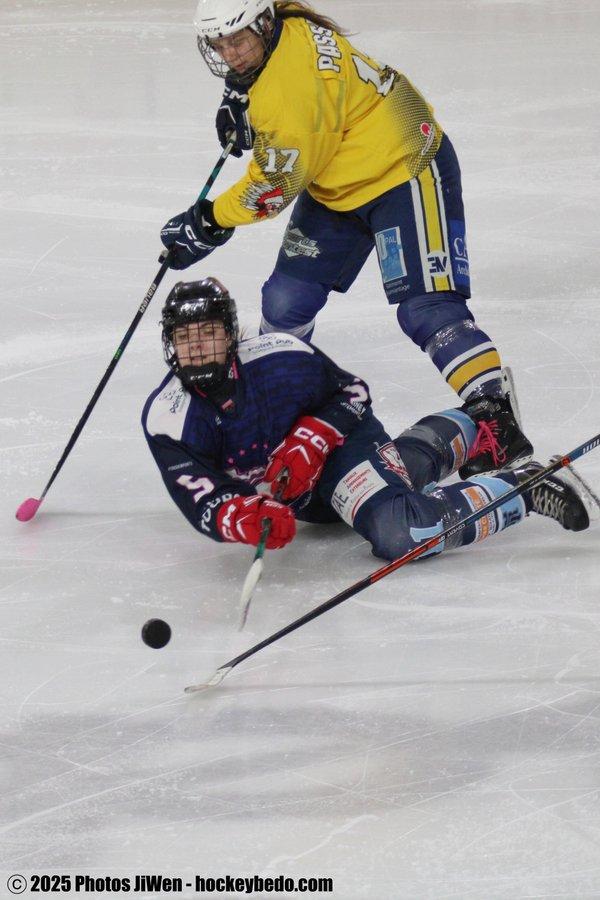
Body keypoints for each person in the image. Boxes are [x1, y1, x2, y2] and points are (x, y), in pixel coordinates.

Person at [158, 0, 533, 480]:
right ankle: (281, 411)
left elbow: (273, 187)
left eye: (238, 40)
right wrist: (240, 90)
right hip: (337, 177)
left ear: (263, 24)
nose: (229, 53)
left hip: (404, 170)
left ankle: (494, 414)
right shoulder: (284, 21)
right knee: (286, 302)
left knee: (426, 309)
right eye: (219, 43)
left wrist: (209, 221)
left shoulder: (289, 92)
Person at [142, 278, 590, 565]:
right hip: (310, 500)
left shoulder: (278, 358)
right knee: (390, 478)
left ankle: (526, 487)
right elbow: (202, 497)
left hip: (342, 449)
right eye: (184, 337)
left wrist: (313, 438)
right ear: (169, 344)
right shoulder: (168, 418)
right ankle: (474, 428)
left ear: (229, 334)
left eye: (208, 334)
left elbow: (352, 393)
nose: (196, 348)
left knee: (402, 530)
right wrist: (246, 515)